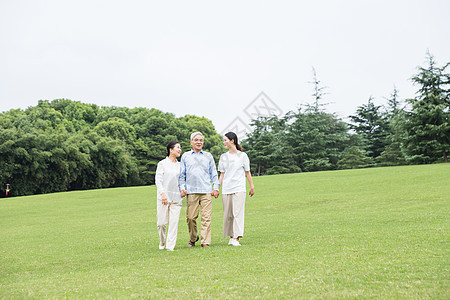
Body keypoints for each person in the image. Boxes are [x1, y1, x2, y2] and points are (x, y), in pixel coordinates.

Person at [179, 132, 220, 248]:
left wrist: (215, 188)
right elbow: (182, 175)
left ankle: (205, 241)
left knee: (206, 217)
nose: (199, 142)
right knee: (191, 218)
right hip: (191, 191)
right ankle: (193, 238)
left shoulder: (208, 156)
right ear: (191, 142)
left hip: (206, 191)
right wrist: (182, 188)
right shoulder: (186, 156)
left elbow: (214, 174)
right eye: (196, 140)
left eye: (201, 140)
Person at [218, 132, 255, 246]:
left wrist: (252, 186)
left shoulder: (243, 156)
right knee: (228, 214)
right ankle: (231, 236)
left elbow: (247, 173)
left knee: (237, 213)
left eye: (225, 140)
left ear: (232, 140)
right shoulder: (224, 157)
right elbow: (222, 174)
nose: (224, 142)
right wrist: (216, 188)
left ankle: (236, 238)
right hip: (226, 189)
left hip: (239, 188)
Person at [155, 141, 183, 251]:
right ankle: (162, 240)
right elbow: (158, 180)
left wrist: (183, 190)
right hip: (163, 198)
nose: (180, 150)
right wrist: (162, 194)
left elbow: (182, 180)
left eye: (180, 148)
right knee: (161, 223)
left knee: (174, 223)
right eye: (178, 148)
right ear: (171, 150)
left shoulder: (180, 165)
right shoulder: (162, 164)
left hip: (176, 198)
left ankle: (170, 246)